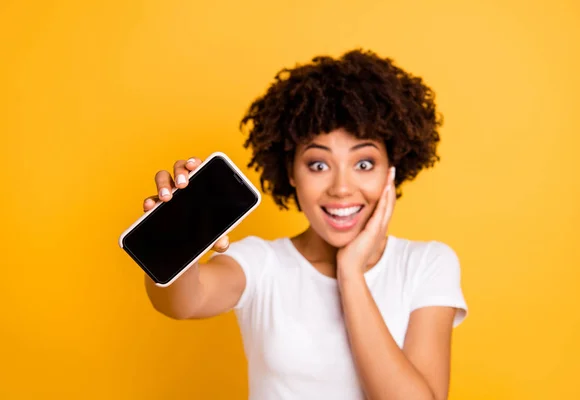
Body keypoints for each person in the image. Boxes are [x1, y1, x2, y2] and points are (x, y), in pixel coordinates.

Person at [142, 49, 468, 400]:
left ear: (392, 170)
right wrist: (173, 235)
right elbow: (181, 303)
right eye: (318, 164)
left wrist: (351, 273)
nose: (342, 188)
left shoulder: (427, 265)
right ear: (291, 174)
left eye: (364, 163)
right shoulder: (262, 263)